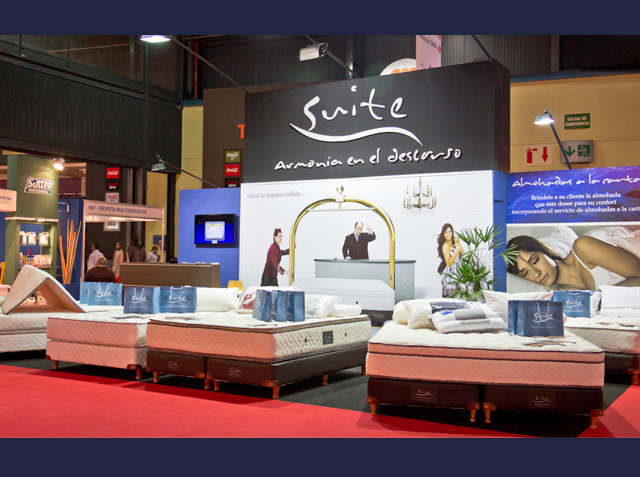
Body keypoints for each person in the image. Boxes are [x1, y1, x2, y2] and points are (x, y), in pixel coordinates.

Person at [506, 234, 640, 291]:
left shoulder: (583, 247)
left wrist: (599, 299)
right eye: (525, 273)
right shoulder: (566, 298)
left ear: (545, 252)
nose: (536, 273)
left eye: (535, 261)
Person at [437, 223, 465, 297]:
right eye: (446, 232)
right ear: (443, 234)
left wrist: (458, 243)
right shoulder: (445, 246)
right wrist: (456, 251)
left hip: (457, 272)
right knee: (450, 297)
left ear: (452, 232)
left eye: (450, 232)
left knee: (459, 296)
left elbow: (463, 255)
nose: (448, 234)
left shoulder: (454, 243)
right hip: (449, 274)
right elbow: (448, 263)